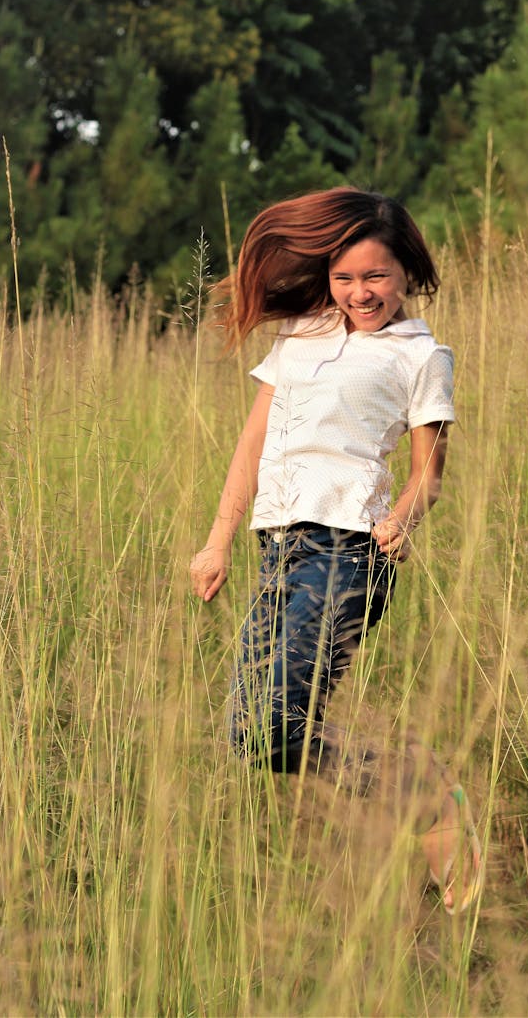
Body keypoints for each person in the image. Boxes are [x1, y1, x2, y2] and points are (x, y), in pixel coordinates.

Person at [189, 187, 481, 913]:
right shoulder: (303, 336)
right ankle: (410, 780)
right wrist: (217, 539)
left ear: (404, 271)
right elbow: (252, 443)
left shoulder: (422, 355)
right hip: (279, 548)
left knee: (280, 719)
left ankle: (428, 800)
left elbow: (428, 475)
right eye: (346, 277)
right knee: (248, 735)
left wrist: (403, 520)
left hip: (351, 552)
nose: (360, 292)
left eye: (375, 276)